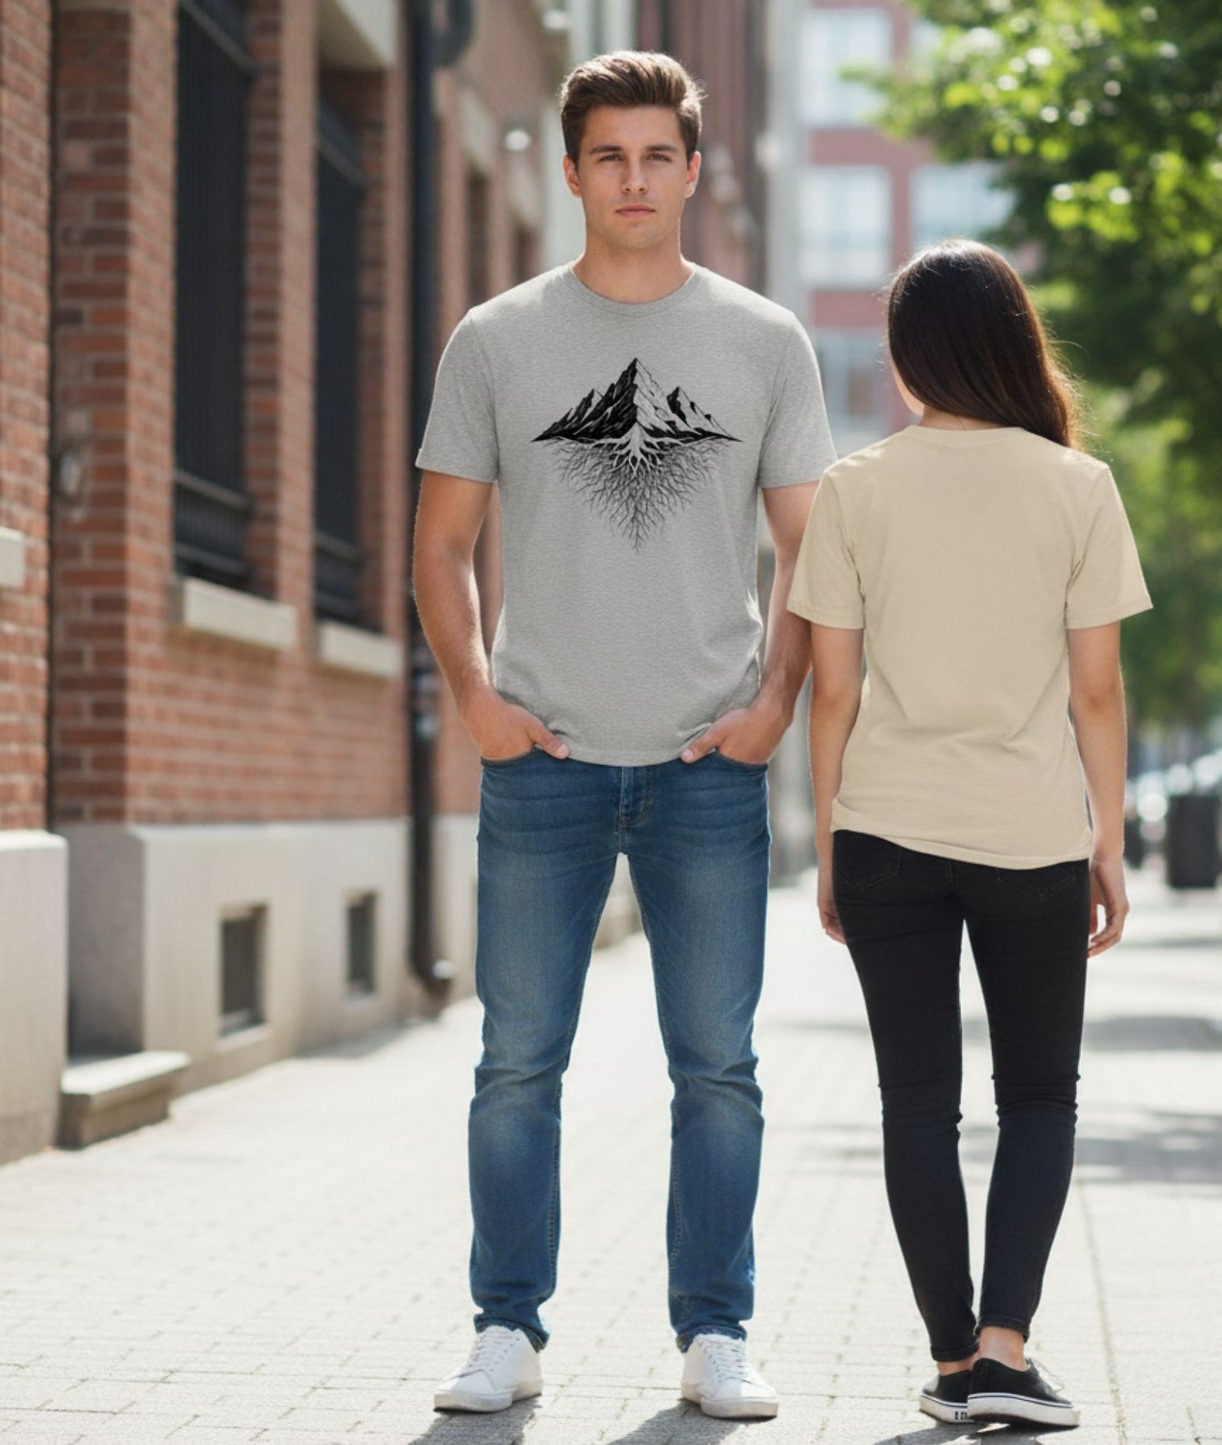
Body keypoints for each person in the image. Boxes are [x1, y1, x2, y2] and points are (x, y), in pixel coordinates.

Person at [412, 51, 835, 1422]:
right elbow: (440, 546)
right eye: (610, 156)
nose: (636, 180)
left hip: (707, 770)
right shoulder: (497, 337)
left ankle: (716, 1333)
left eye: (659, 156)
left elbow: (812, 555)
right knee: (515, 1061)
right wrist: (476, 696)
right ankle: (505, 1326)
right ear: (574, 167)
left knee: (717, 1067)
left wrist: (773, 705)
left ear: (694, 169)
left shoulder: (765, 341)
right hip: (542, 764)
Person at [787, 240, 1151, 1431]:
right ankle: (1004, 1348)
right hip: (1031, 835)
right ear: (1012, 342)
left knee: (915, 1104)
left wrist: (833, 842)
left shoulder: (855, 487)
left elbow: (828, 692)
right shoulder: (1074, 487)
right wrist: (1106, 835)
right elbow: (1095, 692)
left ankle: (950, 1361)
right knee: (1038, 1096)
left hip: (886, 828)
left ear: (903, 360)